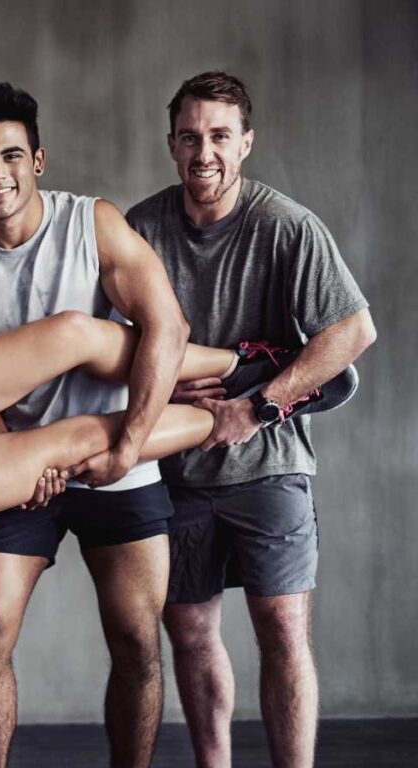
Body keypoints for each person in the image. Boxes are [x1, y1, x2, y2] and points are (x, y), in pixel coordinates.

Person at [0, 82, 188, 768]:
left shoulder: (90, 223)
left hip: (114, 453)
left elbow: (167, 325)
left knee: (137, 641)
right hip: (16, 465)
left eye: (11, 154)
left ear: (37, 159)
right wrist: (12, 461)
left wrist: (129, 446)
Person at [126, 71, 376, 768]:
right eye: (189, 137)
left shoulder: (285, 225)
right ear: (172, 145)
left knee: (283, 630)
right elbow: (109, 342)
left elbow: (352, 332)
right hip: (171, 469)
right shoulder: (140, 230)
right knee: (193, 636)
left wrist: (255, 407)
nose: (203, 151)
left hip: (270, 466)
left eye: (218, 136)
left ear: (245, 144)